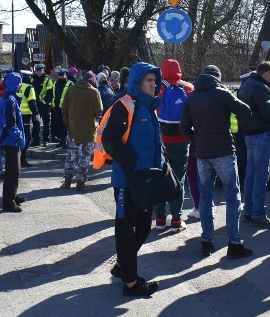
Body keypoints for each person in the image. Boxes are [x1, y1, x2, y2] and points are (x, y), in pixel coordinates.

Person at [101, 62, 164, 297]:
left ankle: (122, 265)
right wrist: (128, 159)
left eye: (155, 80)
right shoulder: (124, 105)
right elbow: (109, 139)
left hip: (146, 181)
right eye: (150, 80)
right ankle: (130, 282)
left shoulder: (148, 108)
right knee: (126, 230)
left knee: (145, 227)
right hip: (126, 181)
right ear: (137, 83)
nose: (154, 84)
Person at [181, 64, 254, 259]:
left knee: (205, 198)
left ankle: (206, 242)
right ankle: (234, 243)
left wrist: (195, 141)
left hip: (202, 154)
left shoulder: (192, 97)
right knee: (233, 197)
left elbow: (183, 127)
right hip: (223, 151)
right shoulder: (221, 94)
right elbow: (245, 111)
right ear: (218, 78)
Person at [238, 61, 270, 227]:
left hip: (248, 134)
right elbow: (269, 113)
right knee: (261, 176)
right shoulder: (260, 87)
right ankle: (258, 214)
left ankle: (248, 211)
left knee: (250, 174)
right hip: (261, 134)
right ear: (267, 74)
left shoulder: (246, 84)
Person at [154, 59, 194, 232]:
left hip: (161, 141)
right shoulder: (188, 89)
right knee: (178, 179)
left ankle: (160, 219)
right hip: (181, 141)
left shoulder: (156, 88)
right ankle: (176, 220)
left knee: (159, 179)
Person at [61, 70, 102, 190]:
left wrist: (67, 124)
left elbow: (64, 108)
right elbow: (99, 111)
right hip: (88, 131)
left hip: (72, 129)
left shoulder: (71, 90)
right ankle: (80, 182)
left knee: (71, 156)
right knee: (84, 157)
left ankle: (67, 181)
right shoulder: (94, 92)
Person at [0, 72, 27, 212]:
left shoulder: (9, 97)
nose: (21, 85)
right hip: (11, 141)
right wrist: (18, 137)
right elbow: (10, 124)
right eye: (20, 82)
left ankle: (12, 196)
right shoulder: (9, 99)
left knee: (14, 171)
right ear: (14, 84)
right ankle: (8, 202)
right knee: (12, 173)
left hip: (10, 140)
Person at [16, 71, 39, 168]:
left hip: (16, 114)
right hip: (25, 116)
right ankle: (22, 159)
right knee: (27, 137)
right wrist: (36, 114)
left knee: (18, 137)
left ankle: (17, 157)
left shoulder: (17, 86)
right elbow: (32, 103)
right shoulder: (29, 87)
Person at [49, 67, 73, 148]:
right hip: (56, 107)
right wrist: (52, 103)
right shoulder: (56, 83)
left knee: (65, 125)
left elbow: (72, 97)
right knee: (59, 124)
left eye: (62, 75)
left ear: (66, 75)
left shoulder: (70, 83)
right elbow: (54, 95)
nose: (61, 77)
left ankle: (65, 142)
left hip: (66, 107)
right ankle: (62, 141)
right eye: (59, 75)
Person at [32, 64, 51, 146]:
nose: (38, 72)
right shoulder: (32, 79)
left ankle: (45, 140)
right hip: (35, 104)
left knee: (46, 123)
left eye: (40, 71)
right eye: (37, 71)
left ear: (43, 70)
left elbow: (50, 92)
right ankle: (35, 141)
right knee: (35, 123)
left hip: (44, 104)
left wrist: (45, 100)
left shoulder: (47, 80)